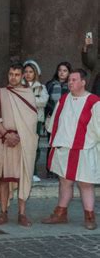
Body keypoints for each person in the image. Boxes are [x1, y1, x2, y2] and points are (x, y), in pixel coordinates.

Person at [42, 69, 99, 230]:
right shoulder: (64, 99)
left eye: (74, 80)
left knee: (85, 184)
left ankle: (89, 216)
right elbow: (55, 121)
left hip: (84, 149)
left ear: (83, 82)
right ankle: (61, 213)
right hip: (65, 148)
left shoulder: (93, 101)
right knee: (64, 182)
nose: (70, 82)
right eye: (69, 80)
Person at [0, 63, 38, 227]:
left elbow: (32, 120)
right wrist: (6, 134)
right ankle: (3, 212)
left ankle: (22, 214)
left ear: (22, 76)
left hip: (23, 142)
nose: (13, 77)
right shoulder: (0, 93)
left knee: (23, 176)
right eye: (11, 74)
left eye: (17, 74)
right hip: (4, 141)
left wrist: (19, 136)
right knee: (3, 178)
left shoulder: (29, 94)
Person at [23, 60, 49, 182]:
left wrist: (28, 99)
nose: (28, 74)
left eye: (31, 72)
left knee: (35, 147)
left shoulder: (41, 87)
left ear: (36, 73)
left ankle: (33, 172)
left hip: (36, 121)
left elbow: (43, 102)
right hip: (22, 120)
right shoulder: (20, 87)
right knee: (22, 147)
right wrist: (34, 99)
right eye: (26, 71)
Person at [45, 61, 71, 178]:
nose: (62, 73)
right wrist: (50, 113)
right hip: (52, 119)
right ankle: (50, 169)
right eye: (60, 70)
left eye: (65, 71)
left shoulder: (71, 86)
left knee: (64, 145)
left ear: (69, 73)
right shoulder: (50, 84)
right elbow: (46, 101)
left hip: (66, 120)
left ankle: (62, 170)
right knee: (52, 144)